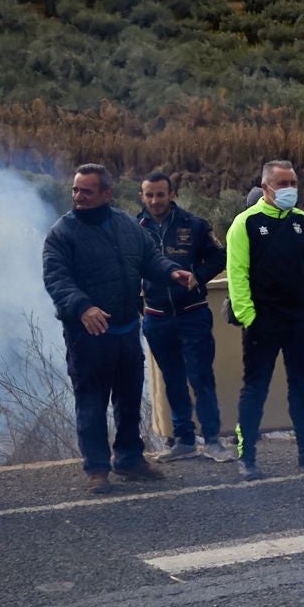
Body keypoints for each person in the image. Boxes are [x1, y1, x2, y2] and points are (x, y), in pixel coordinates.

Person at [42, 164, 195, 493]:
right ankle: (97, 469)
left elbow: (150, 258)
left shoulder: (127, 225)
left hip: (126, 331)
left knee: (128, 399)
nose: (78, 197)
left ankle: (129, 459)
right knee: (92, 402)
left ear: (107, 194)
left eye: (86, 191)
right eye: (75, 190)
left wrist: (171, 272)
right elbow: (56, 278)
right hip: (88, 335)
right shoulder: (62, 233)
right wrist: (83, 307)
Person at [225, 160, 304, 479]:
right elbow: (237, 276)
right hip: (263, 323)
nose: (290, 189)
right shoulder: (244, 224)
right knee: (255, 389)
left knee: (301, 386)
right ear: (265, 187)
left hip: (302, 322)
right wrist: (250, 317)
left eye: (293, 182)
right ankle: (247, 456)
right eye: (282, 183)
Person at [136, 170, 233, 462]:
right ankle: (184, 440)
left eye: (161, 194)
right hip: (155, 317)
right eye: (149, 195)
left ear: (172, 194)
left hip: (193, 314)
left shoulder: (195, 224)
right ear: (142, 196)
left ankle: (213, 441)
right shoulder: (131, 228)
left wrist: (198, 277)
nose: (155, 200)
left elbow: (220, 256)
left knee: (201, 377)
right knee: (173, 379)